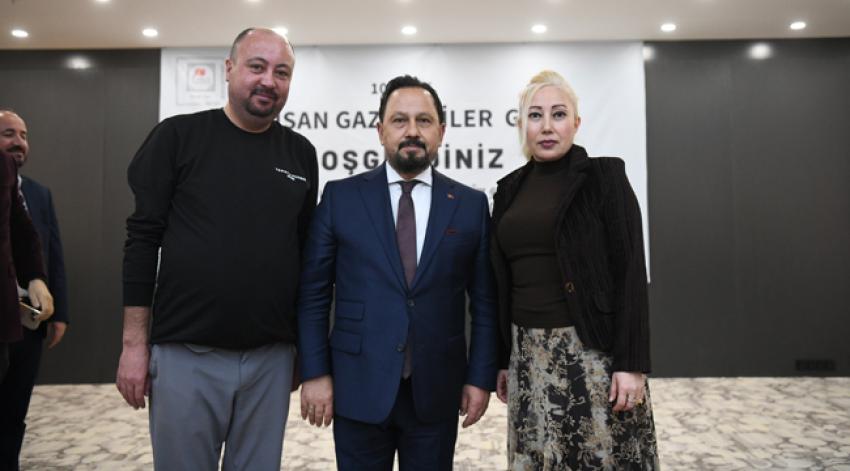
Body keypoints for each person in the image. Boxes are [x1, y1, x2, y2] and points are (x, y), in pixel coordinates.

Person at [117, 28, 318, 470]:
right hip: (185, 353)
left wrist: (304, 350)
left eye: (281, 72)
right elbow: (142, 241)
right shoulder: (178, 137)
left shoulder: (301, 153)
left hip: (271, 359)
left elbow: (305, 258)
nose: (268, 81)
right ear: (229, 69)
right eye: (257, 67)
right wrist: (134, 345)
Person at [297, 75, 498, 470]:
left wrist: (479, 378)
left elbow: (485, 303)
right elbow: (313, 295)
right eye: (399, 120)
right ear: (380, 131)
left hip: (436, 389)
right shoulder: (341, 198)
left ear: (441, 132)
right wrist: (315, 372)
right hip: (358, 385)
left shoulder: (470, 205)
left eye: (424, 121)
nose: (412, 132)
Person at [491, 70, 659, 470]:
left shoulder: (605, 179)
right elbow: (502, 282)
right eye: (535, 115)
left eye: (559, 114)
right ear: (522, 124)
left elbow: (631, 274)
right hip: (527, 356)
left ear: (576, 123)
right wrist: (501, 359)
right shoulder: (508, 189)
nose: (547, 126)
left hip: (592, 356)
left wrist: (631, 364)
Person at [0, 109, 68, 471]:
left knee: (12, 413)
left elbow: (36, 242)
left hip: (22, 320)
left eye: (23, 135)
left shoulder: (17, 181)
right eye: (8, 134)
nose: (18, 142)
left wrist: (39, 280)